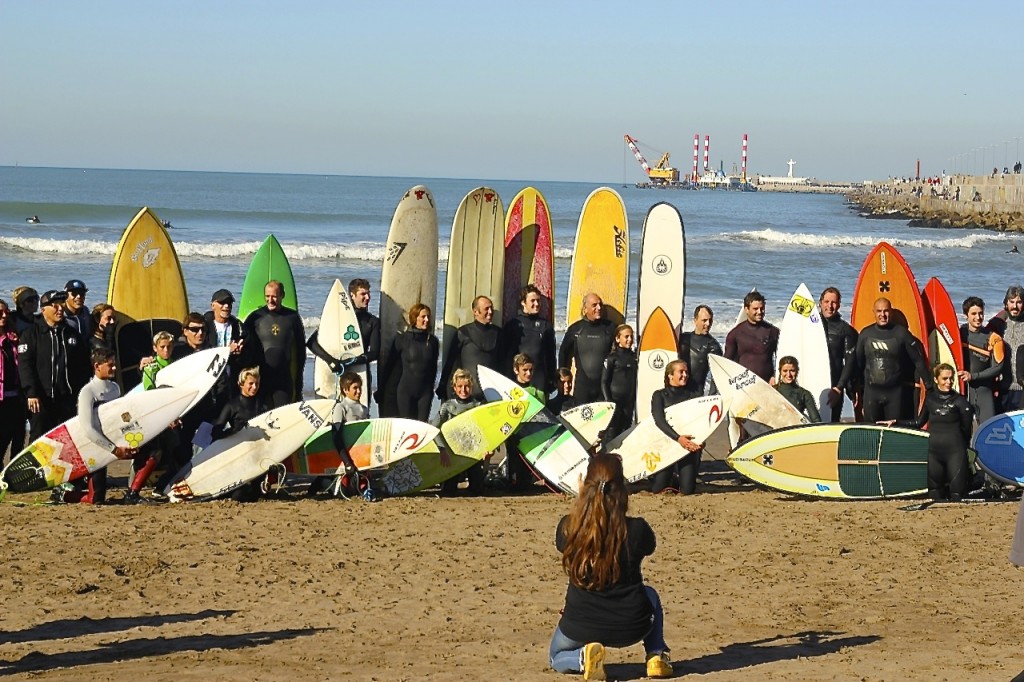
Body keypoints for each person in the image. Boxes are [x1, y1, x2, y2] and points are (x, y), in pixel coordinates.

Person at [548, 453, 672, 681]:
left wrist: (582, 500)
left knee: (556, 656)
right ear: (621, 489)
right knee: (651, 594)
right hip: (632, 623)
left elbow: (570, 536)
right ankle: (656, 654)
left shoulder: (568, 529)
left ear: (586, 487)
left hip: (580, 624)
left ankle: (583, 658)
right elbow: (650, 546)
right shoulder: (637, 530)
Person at [884, 364, 973, 501]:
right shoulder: (930, 399)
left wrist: (963, 447)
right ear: (936, 380)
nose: (948, 382)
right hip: (934, 453)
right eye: (944, 379)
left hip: (955, 452)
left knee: (957, 494)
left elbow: (967, 430)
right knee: (934, 492)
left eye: (951, 378)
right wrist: (896, 422)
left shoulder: (961, 402)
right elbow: (918, 422)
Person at [61, 348, 137, 504]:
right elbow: (88, 429)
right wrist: (113, 449)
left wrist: (130, 440)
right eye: (110, 365)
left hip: (112, 441)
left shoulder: (115, 388)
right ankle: (63, 495)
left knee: (151, 453)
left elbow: (120, 418)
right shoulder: (87, 392)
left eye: (114, 364)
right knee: (97, 498)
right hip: (93, 447)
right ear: (97, 366)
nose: (114, 368)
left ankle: (134, 492)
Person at [18, 290, 90, 440]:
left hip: (67, 399)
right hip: (41, 399)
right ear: (43, 309)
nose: (60, 309)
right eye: (54, 305)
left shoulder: (71, 333)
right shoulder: (30, 334)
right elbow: (25, 366)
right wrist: (31, 393)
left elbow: (83, 366)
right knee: (39, 439)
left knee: (67, 440)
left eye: (61, 305)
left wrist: (80, 393)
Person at [853, 297, 933, 422]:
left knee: (893, 431)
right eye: (879, 311)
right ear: (873, 312)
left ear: (891, 312)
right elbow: (857, 364)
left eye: (886, 311)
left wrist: (929, 385)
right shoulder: (865, 334)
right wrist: (854, 390)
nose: (882, 315)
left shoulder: (901, 333)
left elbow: (917, 360)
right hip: (871, 393)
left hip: (894, 393)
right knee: (871, 430)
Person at [208, 366, 268, 502]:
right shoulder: (232, 406)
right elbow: (215, 433)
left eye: (257, 384)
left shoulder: (261, 404)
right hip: (237, 455)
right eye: (250, 384)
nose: (254, 387)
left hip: (256, 454)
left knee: (258, 494)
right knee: (238, 496)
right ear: (241, 384)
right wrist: (234, 431)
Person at [243, 280, 305, 408]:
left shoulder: (292, 317)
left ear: (282, 296)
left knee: (282, 419)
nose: (270, 300)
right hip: (259, 379)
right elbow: (244, 347)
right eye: (267, 296)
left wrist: (298, 383)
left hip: (283, 379)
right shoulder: (255, 318)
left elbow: (300, 351)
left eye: (274, 296)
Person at [649, 360, 704, 495]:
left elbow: (700, 420)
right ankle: (668, 476)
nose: (685, 375)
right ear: (670, 375)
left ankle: (677, 478)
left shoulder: (692, 395)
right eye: (681, 372)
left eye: (686, 372)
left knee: (688, 490)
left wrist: (702, 439)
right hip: (667, 445)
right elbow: (659, 421)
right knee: (658, 489)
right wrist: (678, 438)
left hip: (687, 446)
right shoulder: (659, 395)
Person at [308, 372, 367, 498]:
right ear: (345, 390)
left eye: (360, 387)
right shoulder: (341, 407)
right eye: (355, 388)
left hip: (358, 453)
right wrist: (346, 463)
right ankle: (321, 481)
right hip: (343, 454)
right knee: (343, 494)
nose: (359, 391)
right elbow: (336, 437)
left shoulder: (364, 409)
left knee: (359, 490)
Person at [377, 303, 439, 420]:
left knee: (422, 427)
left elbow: (433, 369)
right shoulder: (402, 339)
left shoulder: (433, 341)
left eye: (428, 317)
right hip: (405, 392)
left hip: (425, 393)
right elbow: (389, 367)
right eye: (423, 317)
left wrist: (432, 390)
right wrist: (381, 390)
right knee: (407, 426)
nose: (426, 320)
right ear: (415, 318)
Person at [437, 295, 500, 401]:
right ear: (475, 312)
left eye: (491, 308)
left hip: (491, 394)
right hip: (467, 394)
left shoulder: (498, 333)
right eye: (486, 309)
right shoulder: (463, 333)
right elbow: (451, 362)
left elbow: (503, 363)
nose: (490, 312)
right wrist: (443, 386)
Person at [499, 284, 557, 397]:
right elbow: (505, 356)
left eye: (538, 301)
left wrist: (551, 379)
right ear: (523, 302)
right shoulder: (513, 325)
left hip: (539, 381)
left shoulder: (546, 326)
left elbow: (551, 356)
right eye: (533, 301)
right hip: (517, 382)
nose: (536, 304)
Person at [559, 293, 617, 403]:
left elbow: (619, 354)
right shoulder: (576, 329)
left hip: (604, 387)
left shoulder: (610, 328)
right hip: (582, 387)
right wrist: (563, 381)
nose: (599, 308)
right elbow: (563, 353)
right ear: (585, 309)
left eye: (600, 304)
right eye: (594, 305)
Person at [435, 369, 484, 496]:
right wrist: (442, 450)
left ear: (471, 387)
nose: (464, 390)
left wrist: (488, 449)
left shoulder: (478, 406)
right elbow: (434, 429)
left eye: (467, 386)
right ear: (454, 388)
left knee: (477, 491)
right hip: (453, 454)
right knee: (449, 492)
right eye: (460, 386)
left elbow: (485, 430)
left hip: (472, 453)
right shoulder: (448, 406)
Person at [959, 297, 1005, 424]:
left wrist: (972, 376)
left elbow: (997, 368)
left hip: (984, 392)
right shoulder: (958, 334)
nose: (978, 317)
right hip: (963, 391)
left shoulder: (994, 338)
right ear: (965, 315)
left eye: (980, 313)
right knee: (962, 434)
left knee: (987, 432)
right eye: (973, 314)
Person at [819, 287, 859, 423]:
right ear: (820, 303)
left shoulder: (845, 330)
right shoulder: (810, 325)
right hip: (812, 382)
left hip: (834, 385)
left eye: (834, 302)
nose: (830, 306)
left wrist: (839, 388)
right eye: (826, 302)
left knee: (832, 423)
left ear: (839, 305)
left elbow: (850, 362)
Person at [203, 289, 246, 411]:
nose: (226, 306)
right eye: (222, 303)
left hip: (230, 378)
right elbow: (201, 350)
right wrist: (227, 350)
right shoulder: (203, 326)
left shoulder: (238, 326)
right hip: (209, 377)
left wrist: (240, 352)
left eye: (229, 303)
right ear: (213, 305)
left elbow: (247, 355)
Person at [725, 290, 779, 382]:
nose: (759, 312)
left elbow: (781, 359)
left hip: (767, 385)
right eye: (755, 309)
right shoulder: (735, 334)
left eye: (762, 308)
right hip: (743, 385)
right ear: (746, 309)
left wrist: (775, 377)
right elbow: (726, 363)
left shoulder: (773, 332)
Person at [986, 285, 1024, 412]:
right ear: (1006, 303)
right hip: (1002, 387)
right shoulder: (998, 325)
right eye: (1012, 302)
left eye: (1019, 302)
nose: (1015, 306)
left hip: (1022, 389)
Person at [676, 304, 722, 395]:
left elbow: (716, 376)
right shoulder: (683, 338)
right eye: (704, 320)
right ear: (695, 321)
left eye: (710, 320)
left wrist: (711, 397)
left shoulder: (713, 346)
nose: (708, 324)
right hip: (676, 394)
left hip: (695, 396)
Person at [0, 299, 26, 465]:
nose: (4, 315)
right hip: (1, 395)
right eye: (0, 313)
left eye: (6, 312)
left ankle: (14, 471)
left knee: (18, 433)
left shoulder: (13, 336)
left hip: (16, 393)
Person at [601, 324, 637, 440]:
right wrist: (609, 403)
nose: (630, 340)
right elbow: (604, 382)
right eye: (626, 337)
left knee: (625, 434)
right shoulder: (612, 358)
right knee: (611, 434)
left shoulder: (635, 357)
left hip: (629, 403)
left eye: (631, 337)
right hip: (615, 402)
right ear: (617, 339)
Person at [349, 278, 381, 403]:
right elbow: (313, 342)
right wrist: (331, 361)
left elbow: (374, 352)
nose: (367, 297)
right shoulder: (340, 318)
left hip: (362, 372)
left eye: (368, 293)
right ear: (352, 295)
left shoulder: (372, 321)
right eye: (363, 294)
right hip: (340, 371)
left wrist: (354, 360)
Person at [775, 356, 822, 423]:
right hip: (775, 431)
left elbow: (817, 421)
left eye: (792, 371)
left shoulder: (804, 394)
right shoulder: (772, 390)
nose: (789, 374)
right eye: (785, 371)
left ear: (797, 371)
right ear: (780, 371)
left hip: (795, 431)